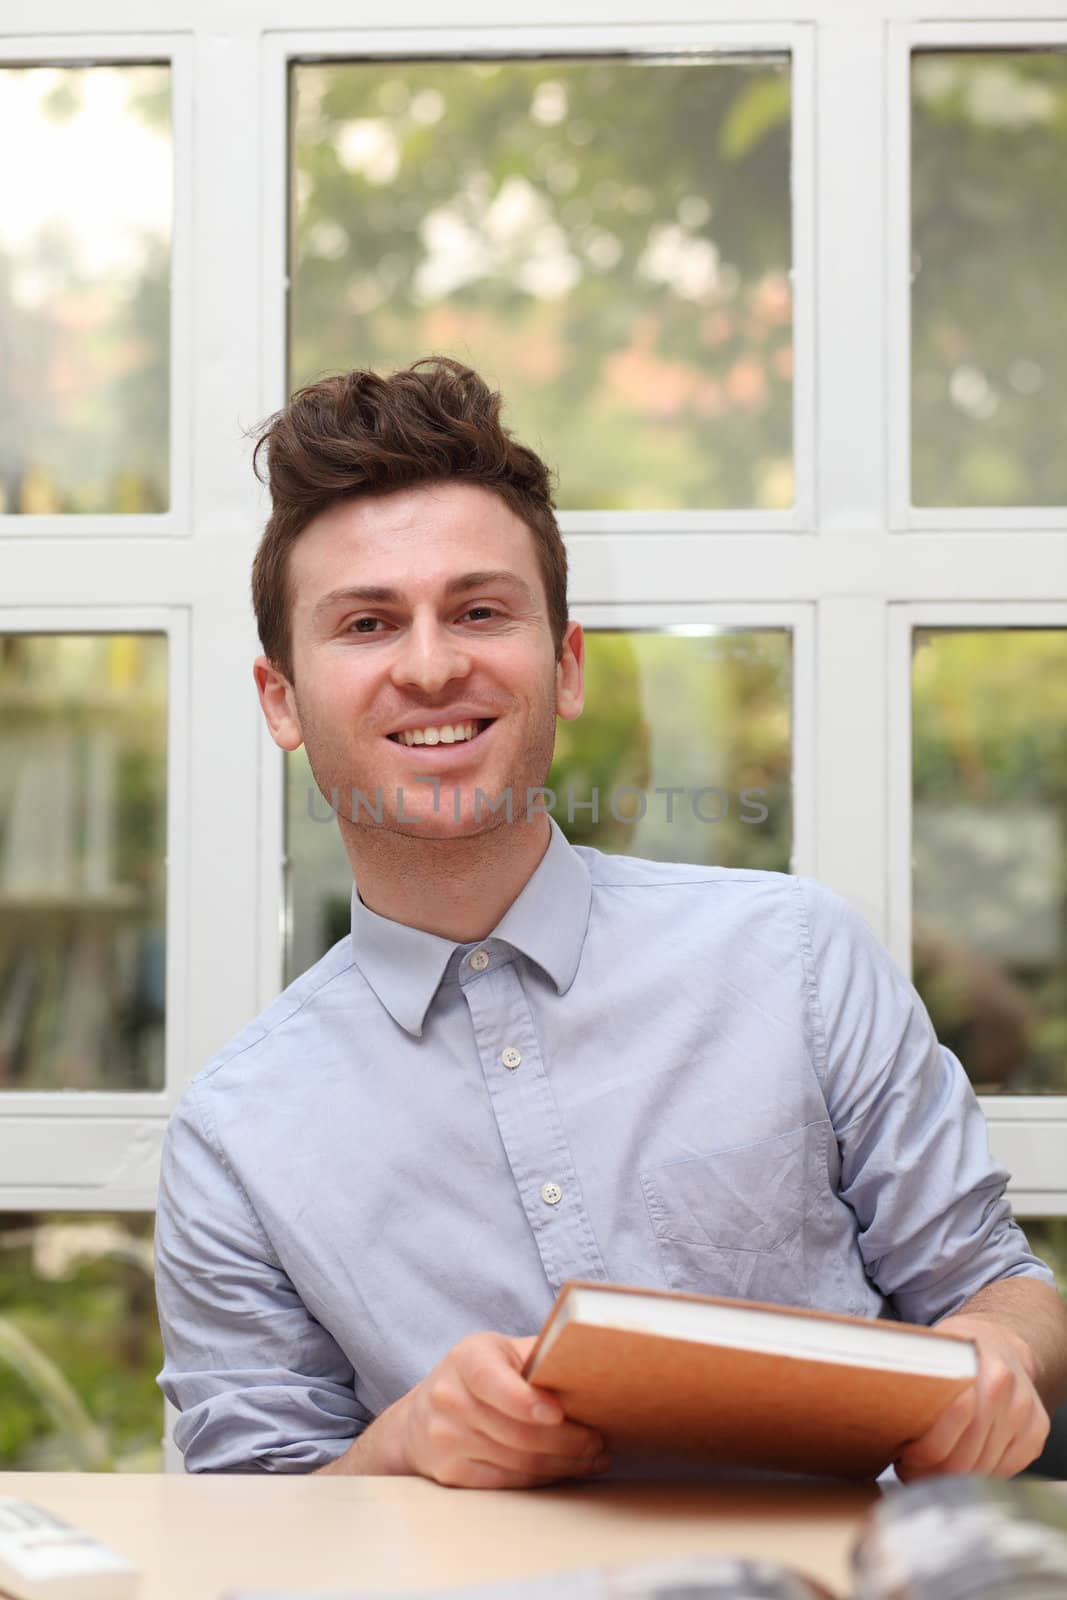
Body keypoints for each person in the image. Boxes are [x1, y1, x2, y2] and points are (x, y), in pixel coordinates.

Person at [155, 357, 1067, 1487]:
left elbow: (994, 1281)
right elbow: (248, 1523)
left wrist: (992, 1358)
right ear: (280, 699)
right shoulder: (234, 1135)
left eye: (479, 609)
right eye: (367, 623)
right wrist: (397, 1448)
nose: (432, 665)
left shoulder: (795, 958)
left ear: (565, 664)